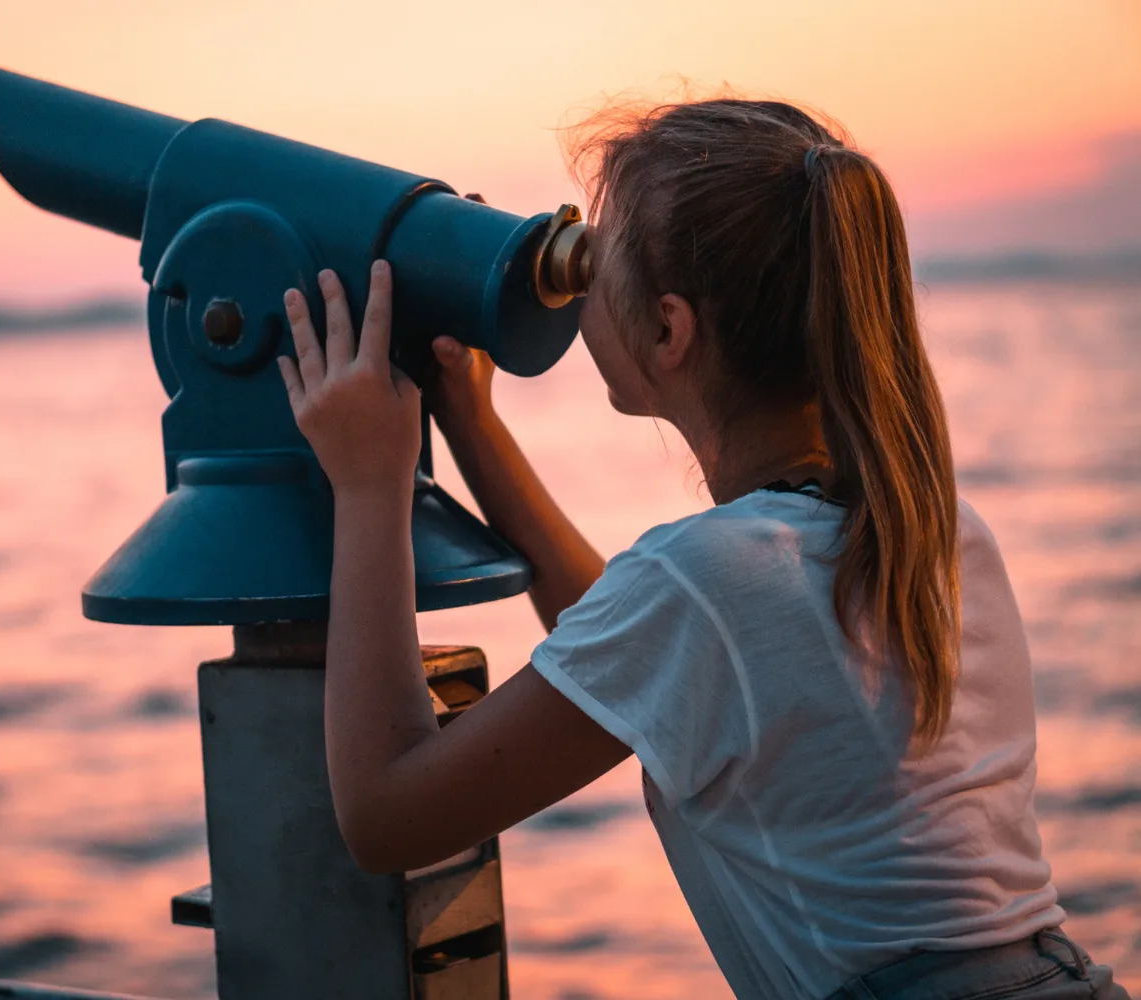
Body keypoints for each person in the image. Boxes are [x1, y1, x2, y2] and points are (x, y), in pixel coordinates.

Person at [274, 98, 1129, 999]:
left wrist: (370, 483)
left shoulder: (707, 586)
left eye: (593, 263)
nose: (577, 285)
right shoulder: (932, 527)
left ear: (670, 331)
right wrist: (473, 428)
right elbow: (663, 662)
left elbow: (385, 818)